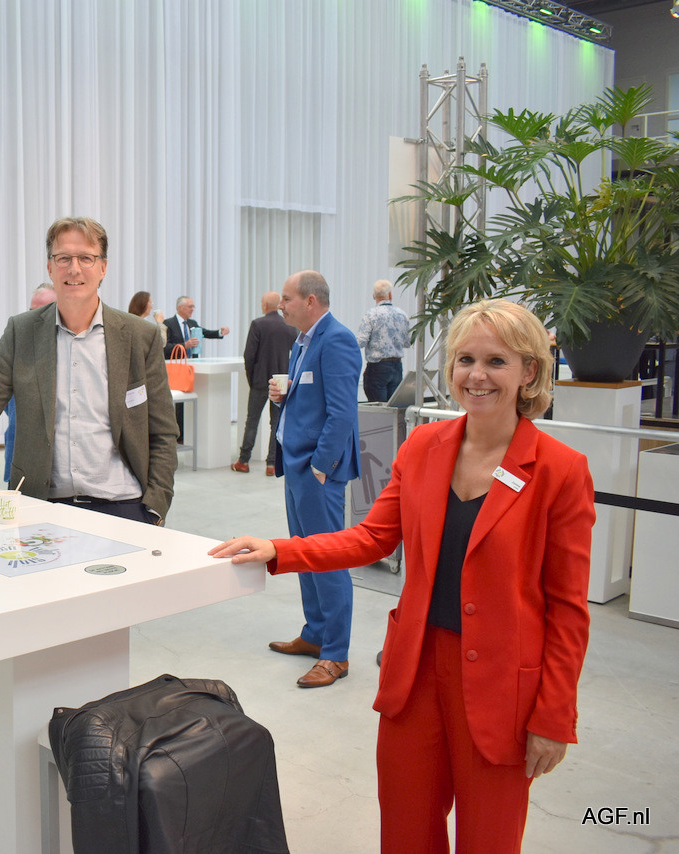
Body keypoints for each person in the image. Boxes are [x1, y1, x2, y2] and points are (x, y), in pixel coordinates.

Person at [211, 299, 594, 854]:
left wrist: (554, 716)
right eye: (465, 359)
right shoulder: (423, 448)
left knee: (489, 839)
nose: (477, 375)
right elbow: (371, 537)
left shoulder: (560, 470)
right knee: (406, 832)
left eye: (496, 361)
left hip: (501, 690)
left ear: (529, 372)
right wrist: (280, 549)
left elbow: (568, 608)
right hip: (415, 674)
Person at [0, 216, 178, 525]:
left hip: (124, 505)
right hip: (41, 506)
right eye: (63, 258)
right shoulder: (22, 333)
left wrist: (155, 507)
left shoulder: (140, 336)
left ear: (103, 267)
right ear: (50, 267)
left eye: (86, 258)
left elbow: (162, 431)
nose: (74, 268)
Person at [266, 270, 361, 688]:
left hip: (316, 470)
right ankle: (315, 634)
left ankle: (335, 654)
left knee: (328, 559)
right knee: (305, 556)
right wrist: (284, 396)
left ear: (310, 301)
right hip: (296, 464)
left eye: (286, 299)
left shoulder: (337, 340)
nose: (280, 306)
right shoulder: (302, 341)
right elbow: (312, 396)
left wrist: (321, 465)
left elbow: (342, 413)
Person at [232, 291, 296, 476]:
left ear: (266, 305)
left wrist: (252, 378)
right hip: (281, 381)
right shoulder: (289, 326)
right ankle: (272, 464)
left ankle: (243, 461)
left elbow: (249, 355)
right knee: (276, 423)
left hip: (260, 380)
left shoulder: (258, 324)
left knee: (252, 421)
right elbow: (296, 352)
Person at [3, 284, 58, 482]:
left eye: (45, 311)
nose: (36, 317)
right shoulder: (17, 346)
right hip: (20, 462)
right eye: (32, 311)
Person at [164, 296, 228, 441]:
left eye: (193, 306)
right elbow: (164, 347)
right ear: (180, 307)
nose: (192, 309)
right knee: (179, 402)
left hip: (192, 366)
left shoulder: (192, 323)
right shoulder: (168, 323)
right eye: (190, 306)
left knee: (190, 401)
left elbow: (205, 332)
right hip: (177, 368)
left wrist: (219, 332)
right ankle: (179, 434)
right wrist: (184, 345)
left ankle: (187, 432)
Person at [356, 279, 411, 402]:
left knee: (378, 408)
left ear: (374, 296)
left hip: (377, 367)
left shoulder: (371, 315)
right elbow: (408, 342)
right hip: (397, 366)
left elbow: (361, 341)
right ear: (390, 295)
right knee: (393, 406)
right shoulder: (402, 314)